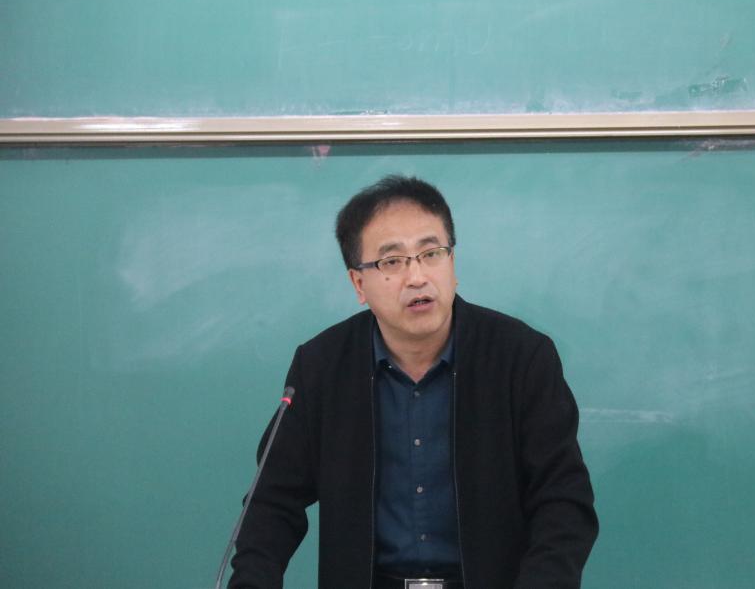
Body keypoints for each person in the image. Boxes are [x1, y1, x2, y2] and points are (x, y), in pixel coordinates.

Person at [228, 175, 598, 589]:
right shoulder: (321, 367)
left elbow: (563, 502)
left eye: (431, 253)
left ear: (452, 263)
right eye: (392, 261)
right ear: (358, 284)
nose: (417, 276)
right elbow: (272, 503)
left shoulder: (521, 358)